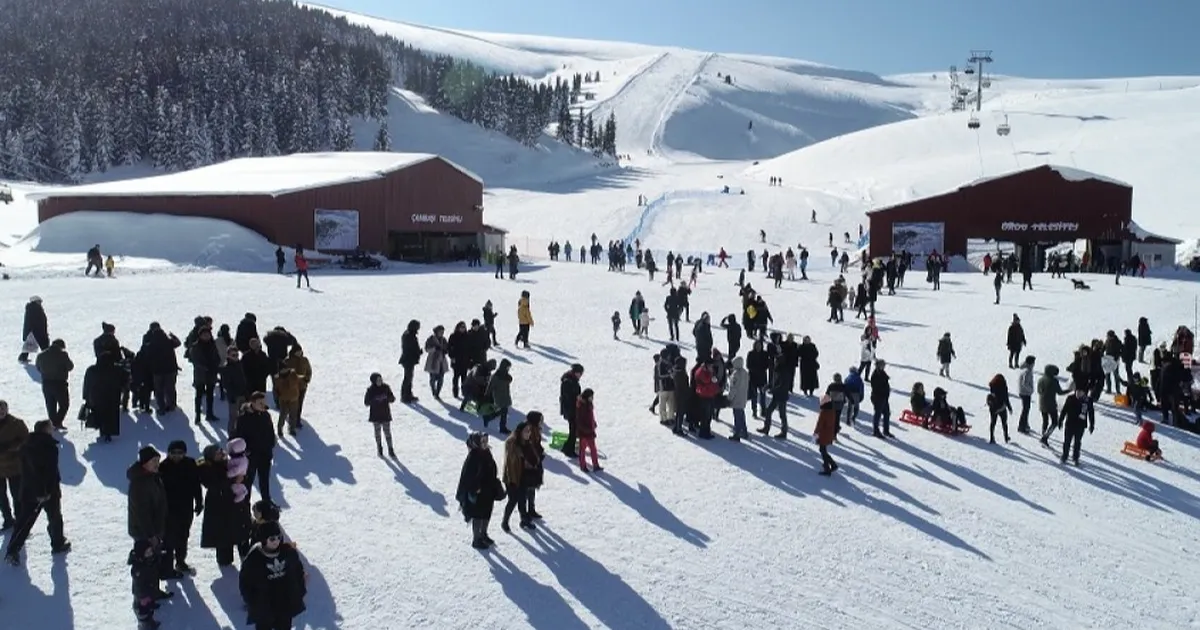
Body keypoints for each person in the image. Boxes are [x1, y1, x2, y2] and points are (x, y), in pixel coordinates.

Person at [4, 420, 71, 565]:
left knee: (24, 521)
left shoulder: (26, 445)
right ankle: (58, 543)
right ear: (46, 430)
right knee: (54, 517)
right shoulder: (49, 447)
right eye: (50, 427)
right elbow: (49, 472)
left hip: (28, 489)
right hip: (47, 491)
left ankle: (12, 549)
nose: (52, 429)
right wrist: (45, 491)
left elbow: (28, 470)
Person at [240, 521, 308, 630]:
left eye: (278, 537)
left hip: (285, 604)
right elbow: (245, 582)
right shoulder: (255, 557)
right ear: (264, 539)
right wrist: (253, 602)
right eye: (272, 539)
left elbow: (298, 572)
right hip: (264, 607)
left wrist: (300, 591)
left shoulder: (288, 552)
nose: (276, 541)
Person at [158, 440, 203, 574]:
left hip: (186, 507)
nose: (177, 455)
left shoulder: (190, 464)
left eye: (180, 452)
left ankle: (180, 561)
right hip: (169, 509)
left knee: (183, 536)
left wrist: (199, 501)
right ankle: (167, 566)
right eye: (174, 453)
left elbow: (196, 484)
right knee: (168, 538)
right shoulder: (163, 467)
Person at [455, 432, 503, 549]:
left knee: (487, 513)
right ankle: (476, 539)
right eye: (483, 441)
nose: (485, 443)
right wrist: (476, 488)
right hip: (479, 492)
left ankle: (483, 534)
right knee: (478, 516)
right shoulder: (473, 456)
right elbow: (467, 476)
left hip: (489, 489)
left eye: (486, 440)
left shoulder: (487, 452)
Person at [130, 538, 172, 630]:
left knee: (149, 610)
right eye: (147, 552)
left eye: (150, 551)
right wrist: (142, 597)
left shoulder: (149, 561)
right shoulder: (138, 569)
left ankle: (150, 622)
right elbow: (138, 586)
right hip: (142, 597)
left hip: (150, 591)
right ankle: (145, 626)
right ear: (141, 554)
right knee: (143, 613)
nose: (150, 554)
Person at [0, 402, 29, 531]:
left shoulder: (17, 424)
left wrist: (10, 447)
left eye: (2, 409)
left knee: (17, 495)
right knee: (1, 497)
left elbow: (26, 440)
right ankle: (8, 519)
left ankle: (20, 520)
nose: (1, 412)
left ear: (7, 409)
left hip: (14, 466)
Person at [35, 339, 74, 431]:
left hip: (46, 383)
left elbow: (38, 368)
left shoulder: (41, 355)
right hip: (60, 383)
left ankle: (53, 423)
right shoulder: (63, 355)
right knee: (64, 404)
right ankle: (57, 423)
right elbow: (70, 367)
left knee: (50, 405)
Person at [1058, 388, 1093, 465]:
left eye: (1080, 391)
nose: (1078, 393)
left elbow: (1091, 413)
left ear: (1084, 392)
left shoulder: (1087, 401)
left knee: (1077, 442)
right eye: (1077, 391)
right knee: (1067, 441)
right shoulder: (1070, 398)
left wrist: (1092, 425)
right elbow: (1064, 410)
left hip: (1080, 425)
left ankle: (1075, 458)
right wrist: (1060, 420)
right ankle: (1064, 456)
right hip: (1069, 424)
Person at [365, 373, 396, 457]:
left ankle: (390, 449)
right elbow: (366, 402)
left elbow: (392, 398)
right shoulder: (370, 390)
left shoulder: (386, 387)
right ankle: (379, 448)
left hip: (385, 414)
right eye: (378, 380)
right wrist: (375, 399)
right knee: (377, 433)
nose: (380, 381)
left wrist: (387, 397)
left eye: (381, 379)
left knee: (387, 433)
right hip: (375, 415)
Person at [559, 364, 584, 457]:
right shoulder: (568, 381)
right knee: (573, 431)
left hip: (573, 409)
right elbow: (568, 397)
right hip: (570, 410)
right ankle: (569, 450)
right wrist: (577, 399)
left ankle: (567, 448)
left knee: (573, 431)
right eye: (580, 373)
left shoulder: (573, 380)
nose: (580, 375)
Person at [575, 389, 602, 472]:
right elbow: (580, 421)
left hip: (590, 431)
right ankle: (583, 466)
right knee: (582, 449)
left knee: (593, 449)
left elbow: (590, 416)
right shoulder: (582, 406)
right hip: (584, 432)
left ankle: (596, 465)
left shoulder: (588, 404)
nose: (592, 398)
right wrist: (586, 429)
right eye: (591, 396)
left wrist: (593, 423)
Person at [398, 320, 422, 404]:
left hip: (409, 359)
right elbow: (411, 347)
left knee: (409, 377)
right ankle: (404, 396)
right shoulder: (409, 335)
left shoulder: (409, 334)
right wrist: (418, 352)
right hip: (408, 359)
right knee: (408, 378)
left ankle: (408, 394)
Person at [814, 395, 839, 475]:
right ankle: (830, 464)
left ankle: (829, 467)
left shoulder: (824, 412)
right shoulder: (832, 410)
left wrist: (815, 433)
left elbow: (819, 424)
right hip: (829, 432)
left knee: (822, 450)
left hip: (823, 434)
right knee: (823, 449)